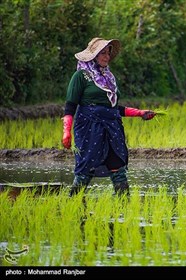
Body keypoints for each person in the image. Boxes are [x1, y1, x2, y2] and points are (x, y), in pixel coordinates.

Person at [62, 37, 156, 197]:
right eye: (102, 53)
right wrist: (66, 131)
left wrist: (140, 113)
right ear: (93, 56)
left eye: (108, 53)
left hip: (112, 129)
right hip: (89, 129)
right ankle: (72, 203)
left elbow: (113, 108)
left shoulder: (108, 78)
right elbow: (70, 106)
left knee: (117, 166)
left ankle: (122, 209)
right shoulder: (81, 76)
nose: (107, 57)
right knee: (85, 167)